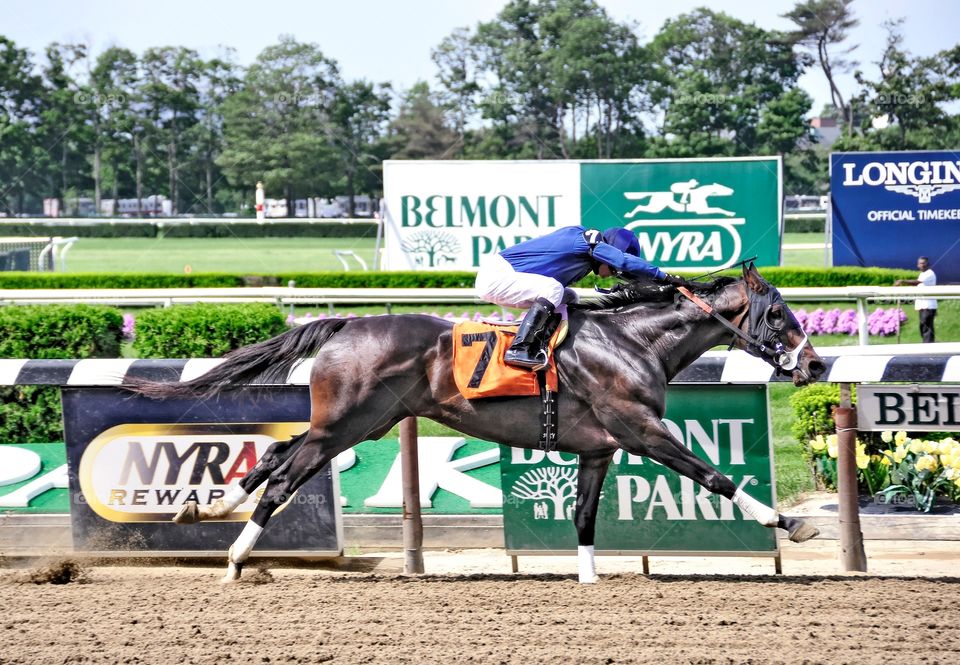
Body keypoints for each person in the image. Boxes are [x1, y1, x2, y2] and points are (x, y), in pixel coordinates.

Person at [475, 225, 686, 370]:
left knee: (569, 297)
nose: (613, 273)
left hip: (504, 277)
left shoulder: (588, 256)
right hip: (496, 276)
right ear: (608, 251)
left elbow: (626, 269)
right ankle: (519, 349)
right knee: (553, 289)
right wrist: (665, 276)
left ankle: (551, 349)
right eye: (612, 268)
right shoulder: (587, 240)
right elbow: (622, 261)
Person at [895, 256, 937, 343]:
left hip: (928, 305)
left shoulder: (929, 273)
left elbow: (916, 282)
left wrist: (902, 281)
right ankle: (927, 344)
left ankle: (928, 345)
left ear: (927, 264)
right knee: (923, 325)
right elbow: (916, 284)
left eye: (922, 263)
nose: (920, 265)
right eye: (919, 263)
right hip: (922, 305)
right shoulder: (922, 274)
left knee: (926, 326)